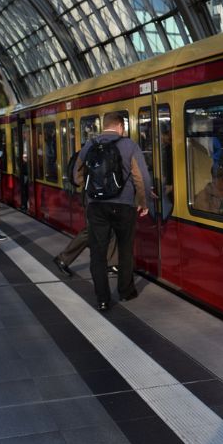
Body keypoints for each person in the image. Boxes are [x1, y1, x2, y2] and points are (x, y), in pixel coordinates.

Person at [72, 110, 152, 311]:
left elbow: (76, 175)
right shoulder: (130, 145)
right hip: (124, 205)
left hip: (96, 206)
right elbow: (141, 177)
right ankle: (126, 292)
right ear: (120, 126)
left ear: (104, 126)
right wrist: (143, 202)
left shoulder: (89, 145)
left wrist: (91, 189)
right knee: (125, 250)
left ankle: (102, 299)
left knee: (98, 253)